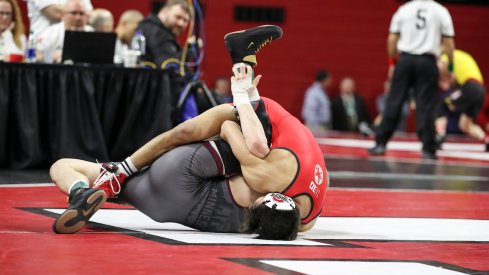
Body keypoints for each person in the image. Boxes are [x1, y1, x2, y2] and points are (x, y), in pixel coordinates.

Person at [51, 25, 328, 240]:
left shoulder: (307, 217)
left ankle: (92, 186)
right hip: (263, 126)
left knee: (190, 134)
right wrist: (242, 95)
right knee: (230, 139)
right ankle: (118, 172)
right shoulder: (272, 182)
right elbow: (229, 127)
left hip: (262, 142)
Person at [369, 0, 455, 160]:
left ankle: (380, 143)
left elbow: (392, 40)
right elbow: (449, 43)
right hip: (427, 62)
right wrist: (450, 68)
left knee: (394, 101)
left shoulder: (404, 9)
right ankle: (428, 149)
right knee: (426, 105)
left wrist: (392, 63)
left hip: (405, 60)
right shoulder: (440, 10)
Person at [434, 49, 488, 151]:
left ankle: (440, 135)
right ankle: (486, 140)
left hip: (469, 88)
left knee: (443, 103)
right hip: (481, 91)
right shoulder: (463, 56)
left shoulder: (447, 56)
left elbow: (441, 69)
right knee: (465, 124)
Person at [137, 0, 190, 68]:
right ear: (164, 12)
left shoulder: (147, 26)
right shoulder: (157, 32)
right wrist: (188, 51)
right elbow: (168, 65)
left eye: (185, 20)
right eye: (177, 17)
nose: (181, 23)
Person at [27, 0, 92, 38]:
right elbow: (56, 12)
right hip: (44, 45)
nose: (78, 16)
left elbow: (89, 16)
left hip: (76, 43)